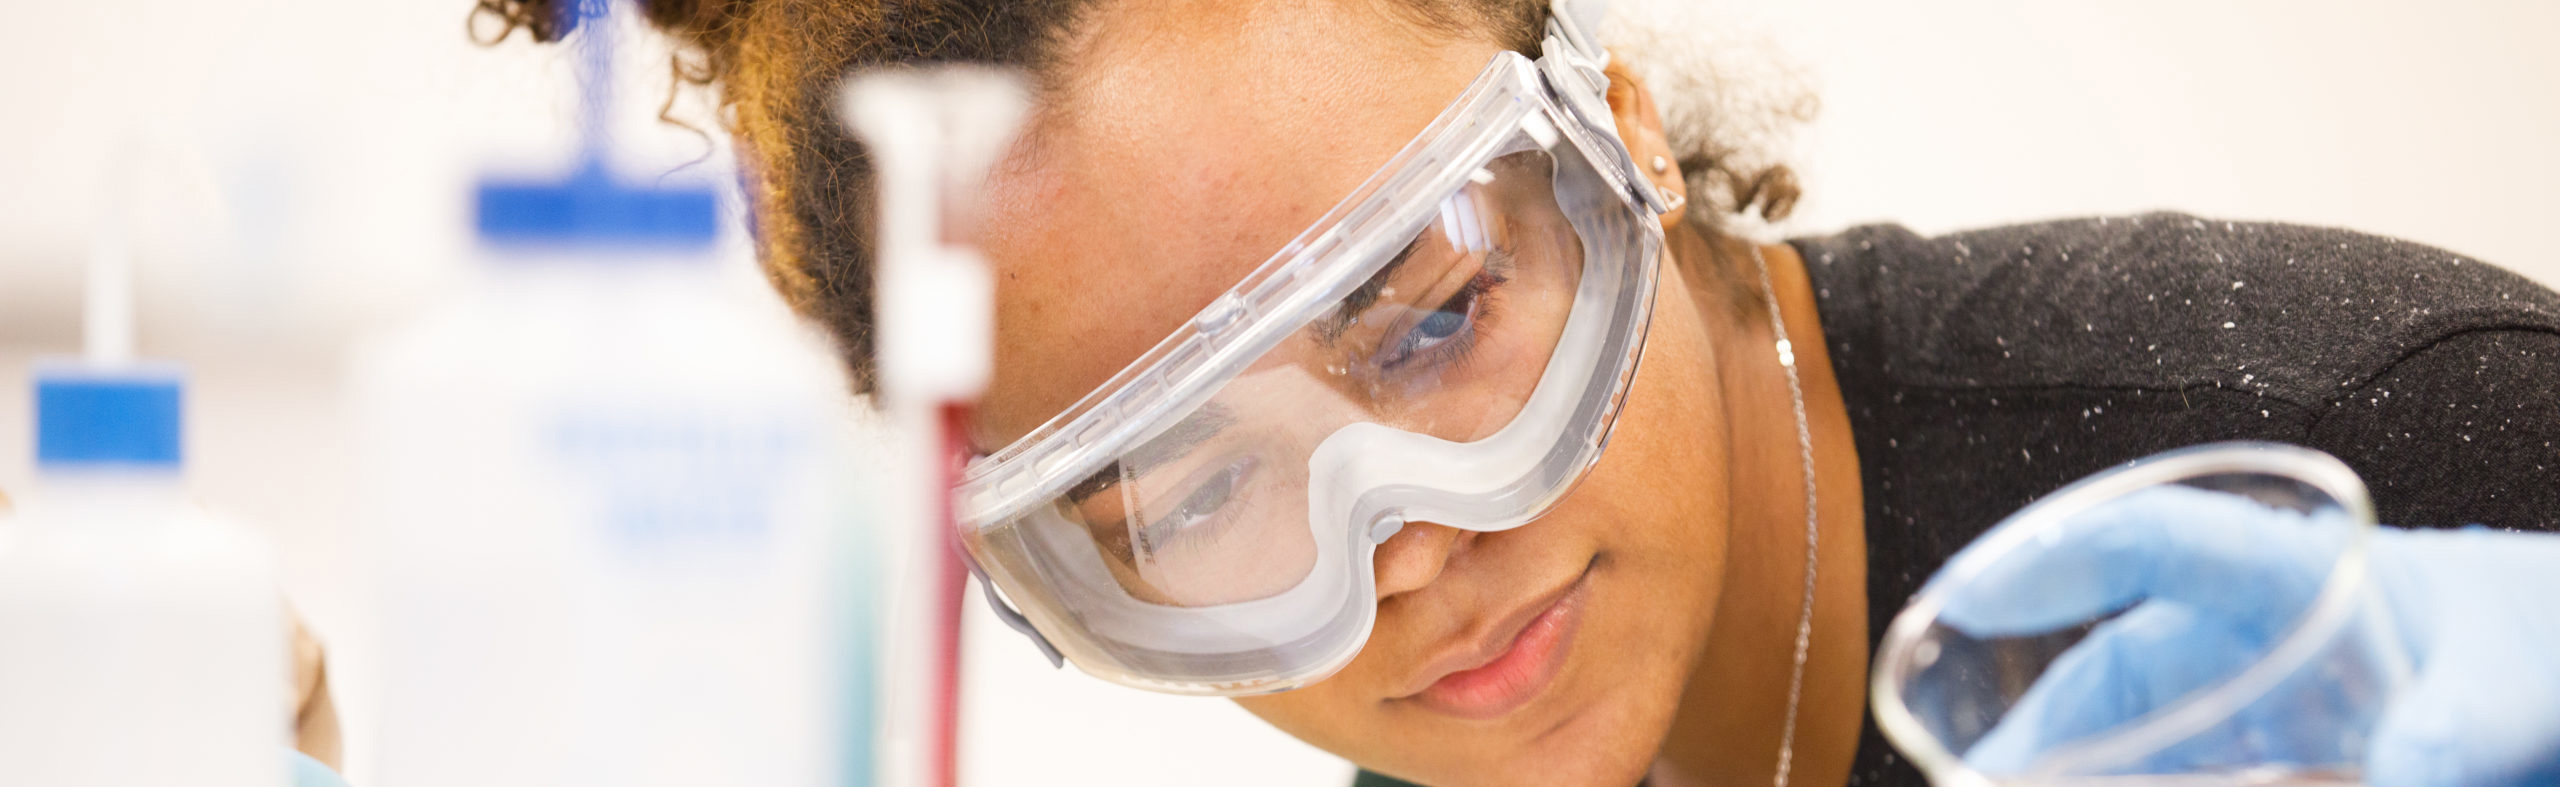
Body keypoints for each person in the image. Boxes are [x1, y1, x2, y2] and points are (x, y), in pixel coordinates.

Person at [468, 1, 2560, 785]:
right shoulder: (1492, 739)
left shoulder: (2396, 457)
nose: (1413, 547)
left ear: (1618, 137)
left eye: (1430, 319)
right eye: (1188, 501)